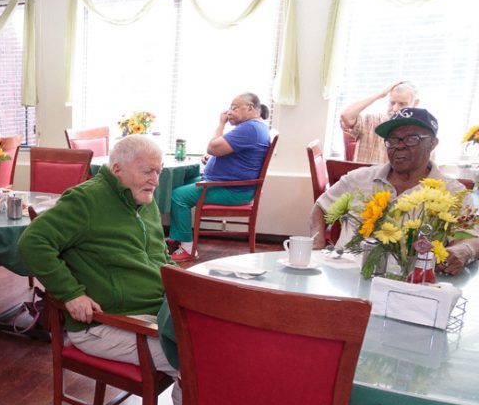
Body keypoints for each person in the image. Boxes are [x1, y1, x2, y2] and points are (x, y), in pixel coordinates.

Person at [17, 135, 182, 405]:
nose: (155, 180)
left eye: (159, 171)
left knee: (219, 339)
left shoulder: (144, 200)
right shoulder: (86, 200)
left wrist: (182, 289)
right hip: (105, 324)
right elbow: (32, 243)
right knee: (197, 362)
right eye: (147, 171)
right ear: (118, 170)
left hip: (154, 314)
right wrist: (71, 293)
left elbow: (160, 258)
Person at [311, 108, 477, 273]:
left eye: (412, 139)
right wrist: (317, 244)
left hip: (409, 283)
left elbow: (472, 238)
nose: (399, 146)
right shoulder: (358, 179)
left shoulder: (453, 193)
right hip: (344, 275)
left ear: (433, 143)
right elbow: (321, 207)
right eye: (393, 139)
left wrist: (463, 251)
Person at [169, 92, 271, 261]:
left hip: (234, 190)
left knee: (178, 196)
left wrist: (221, 124)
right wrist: (214, 158)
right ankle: (180, 234)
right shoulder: (256, 127)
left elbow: (213, 147)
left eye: (235, 108)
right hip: (228, 184)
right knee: (183, 182)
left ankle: (188, 248)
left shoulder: (250, 128)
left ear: (251, 108)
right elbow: (223, 152)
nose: (229, 112)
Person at [340, 81, 419, 164]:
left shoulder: (422, 134)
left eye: (402, 104)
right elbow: (346, 115)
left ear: (415, 104)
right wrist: (380, 94)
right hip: (366, 176)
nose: (395, 109)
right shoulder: (371, 121)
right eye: (392, 103)